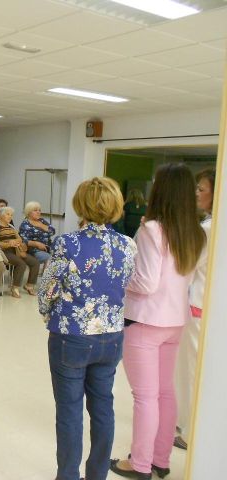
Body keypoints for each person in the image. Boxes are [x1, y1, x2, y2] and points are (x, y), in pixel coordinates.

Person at [111, 163, 206, 480]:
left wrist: (120, 276)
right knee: (166, 393)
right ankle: (160, 460)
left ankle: (139, 464)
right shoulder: (196, 231)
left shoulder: (151, 229)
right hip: (175, 322)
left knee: (145, 397)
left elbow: (146, 282)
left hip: (145, 321)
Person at [39, 176, 136, 480]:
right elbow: (125, 283)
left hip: (72, 337)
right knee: (104, 406)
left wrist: (49, 315)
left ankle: (68, 475)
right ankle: (97, 475)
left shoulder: (68, 243)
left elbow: (47, 292)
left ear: (81, 205)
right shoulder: (127, 244)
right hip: (111, 337)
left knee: (69, 412)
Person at [173, 168, 215, 451]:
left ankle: (189, 430)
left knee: (192, 370)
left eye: (201, 189)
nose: (197, 193)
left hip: (198, 305)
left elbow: (187, 264)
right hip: (206, 306)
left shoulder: (208, 229)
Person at [0, 206, 40, 298]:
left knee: (35, 262)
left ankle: (29, 285)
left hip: (16, 250)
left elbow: (19, 239)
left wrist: (15, 242)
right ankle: (15, 288)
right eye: (8, 214)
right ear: (1, 215)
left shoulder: (11, 226)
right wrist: (9, 243)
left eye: (11, 215)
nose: (10, 217)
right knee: (21, 264)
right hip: (4, 251)